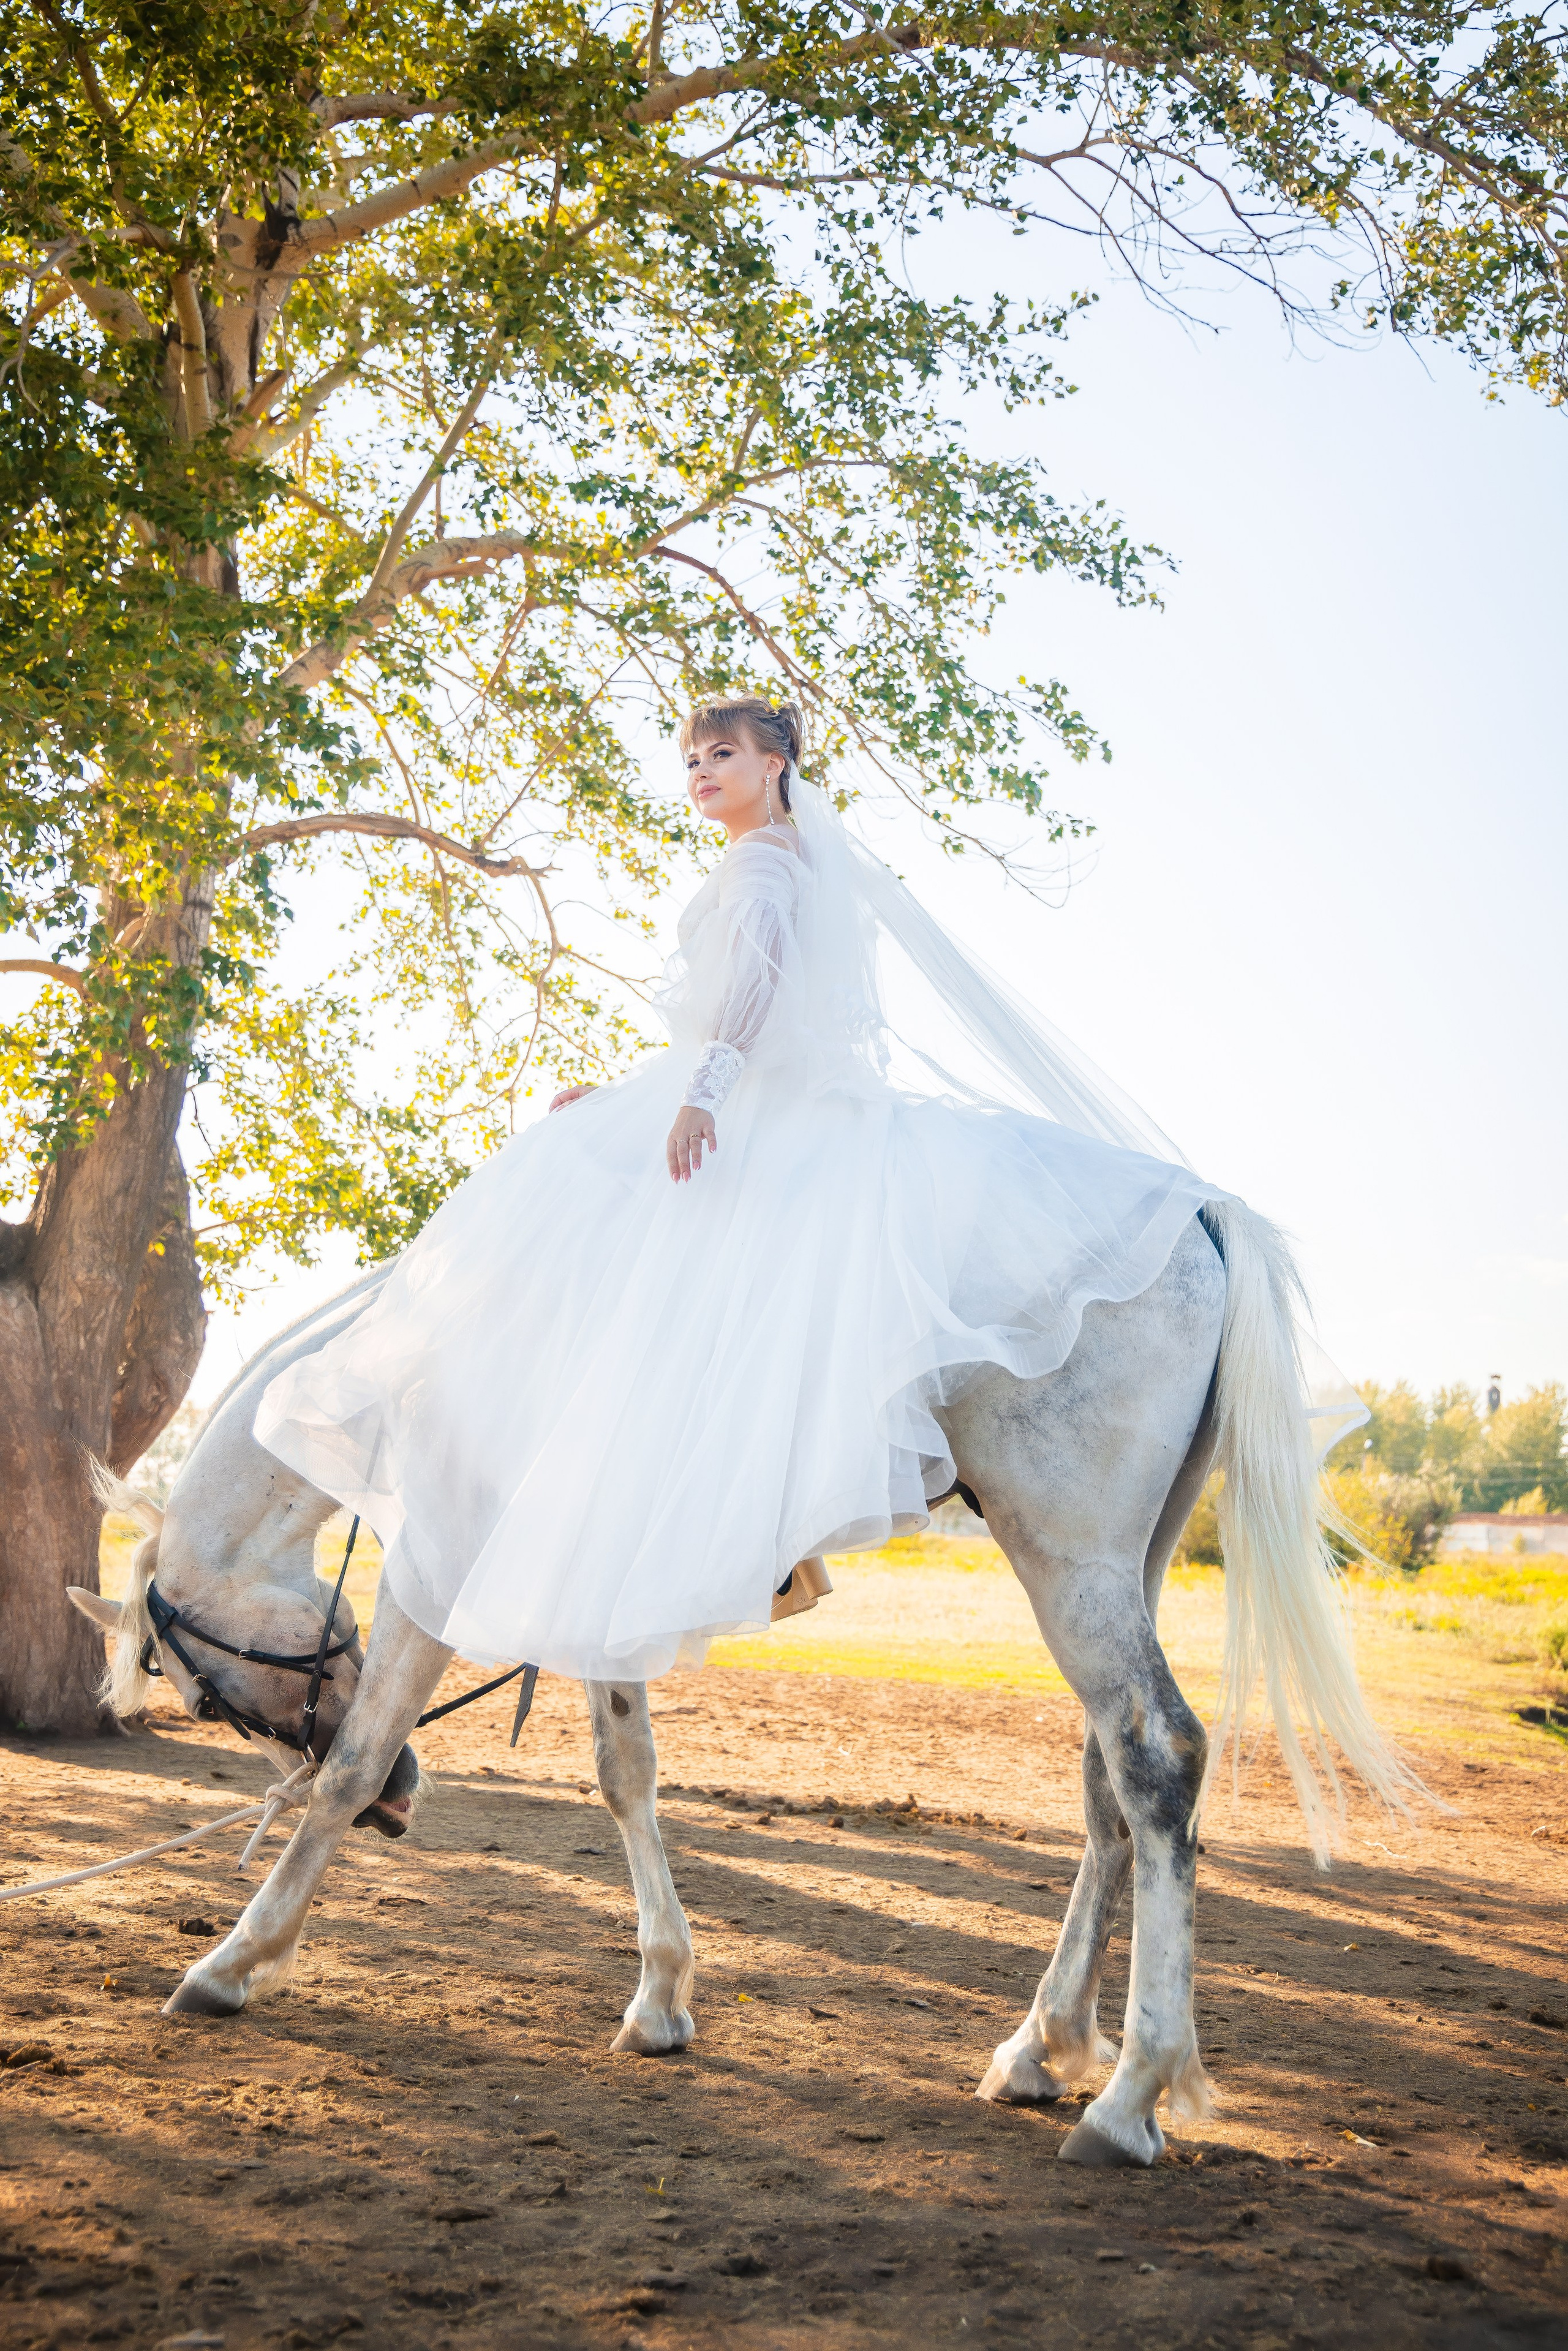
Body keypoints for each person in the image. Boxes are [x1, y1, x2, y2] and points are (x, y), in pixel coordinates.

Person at [255, 698, 1229, 1681]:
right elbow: (749, 1005)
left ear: (775, 766)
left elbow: (753, 991)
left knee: (620, 1269)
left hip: (752, 1098)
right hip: (757, 1091)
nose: (701, 772)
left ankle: (636, 1501)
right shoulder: (788, 858)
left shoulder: (762, 858)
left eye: (723, 753)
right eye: (691, 759)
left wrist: (702, 1096)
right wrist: (636, 1096)